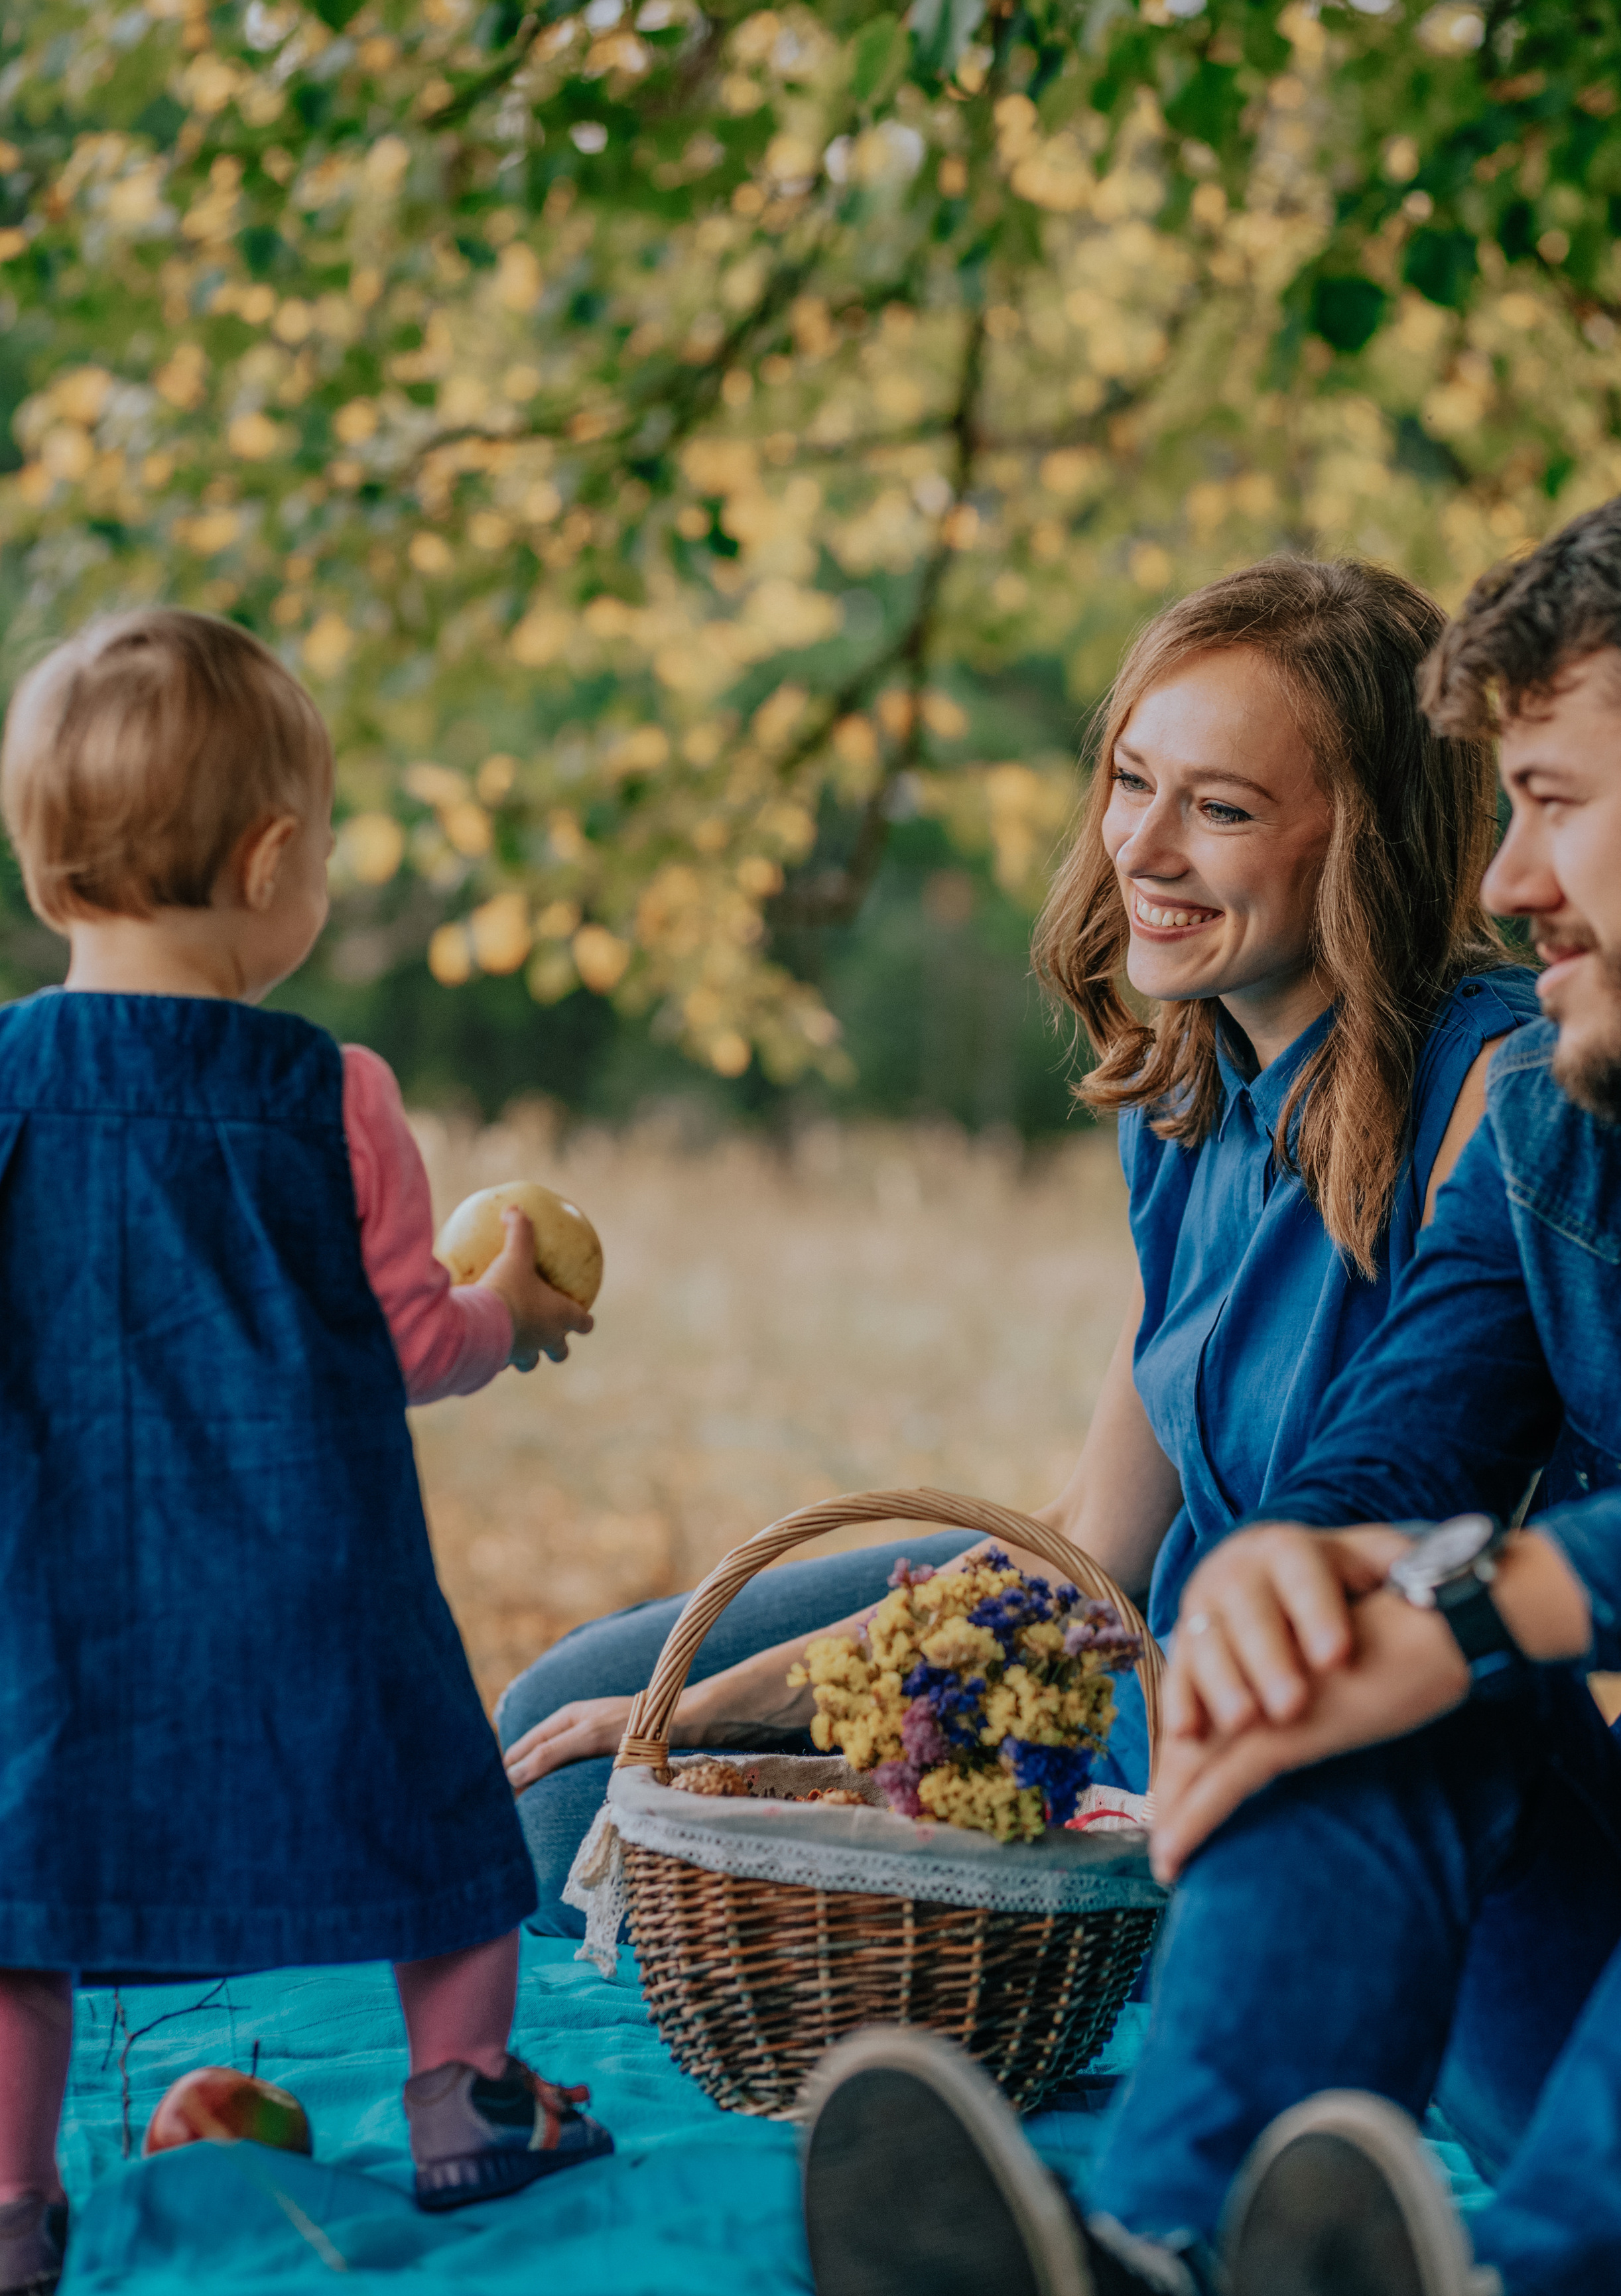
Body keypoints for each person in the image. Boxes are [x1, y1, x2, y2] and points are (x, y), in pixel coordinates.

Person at [799, 476, 1621, 2296]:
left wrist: (1480, 1598)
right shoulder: (1566, 1121)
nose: (1510, 878)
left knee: (1429, 1617)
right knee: (1346, 1627)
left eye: (1555, 802)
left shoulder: (1474, 1069)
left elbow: (1507, 1566)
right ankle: (1152, 2279)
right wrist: (1296, 1571)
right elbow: (1408, 1439)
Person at [496, 556, 1539, 1923]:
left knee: (595, 1803)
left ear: (1371, 840)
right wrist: (703, 1707)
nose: (1142, 849)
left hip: (1299, 1749)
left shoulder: (1493, 1086)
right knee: (574, 1734)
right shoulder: (1185, 1100)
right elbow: (1095, 1542)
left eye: (1220, 807)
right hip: (1119, 1659)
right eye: (1130, 781)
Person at [0, 611, 612, 2296]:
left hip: (52, 1585)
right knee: (442, 1829)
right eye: (325, 855)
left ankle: (13, 2202)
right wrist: (510, 1310)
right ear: (272, 862)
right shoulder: (332, 1095)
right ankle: (465, 2102)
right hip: (306, 1578)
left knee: (17, 1883)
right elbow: (410, 1340)